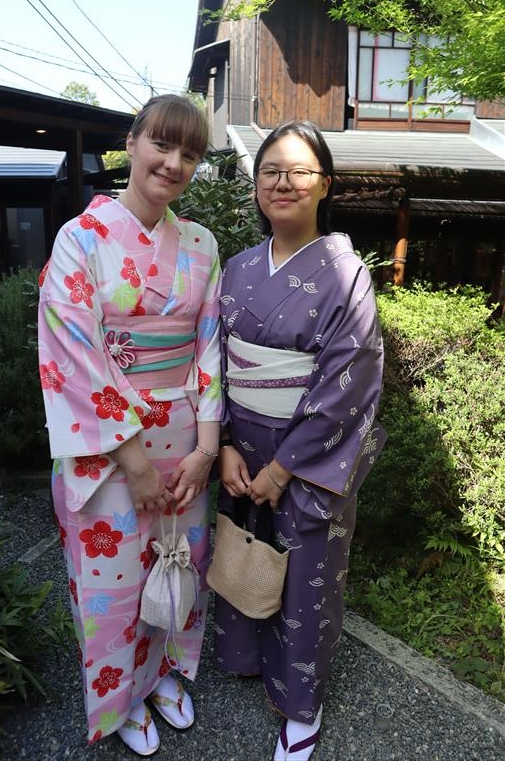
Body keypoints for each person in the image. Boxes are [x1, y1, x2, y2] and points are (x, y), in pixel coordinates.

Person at [38, 94, 222, 755]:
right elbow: (73, 356)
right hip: (113, 452)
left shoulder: (200, 244)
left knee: (178, 562)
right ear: (132, 142)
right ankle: (123, 699)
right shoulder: (80, 239)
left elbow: (209, 347)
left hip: (185, 446)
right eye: (161, 144)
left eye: (189, 153)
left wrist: (206, 450)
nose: (173, 163)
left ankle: (167, 670)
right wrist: (136, 463)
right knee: (113, 580)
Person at [215, 121, 386, 760]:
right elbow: (215, 363)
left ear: (325, 185)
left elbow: (350, 380)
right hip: (242, 444)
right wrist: (223, 442)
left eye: (299, 171)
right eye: (270, 171)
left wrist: (283, 469)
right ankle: (246, 657)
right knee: (245, 548)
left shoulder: (347, 275)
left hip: (308, 453)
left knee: (309, 573)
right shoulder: (237, 268)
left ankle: (300, 703)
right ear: (256, 183)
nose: (282, 183)